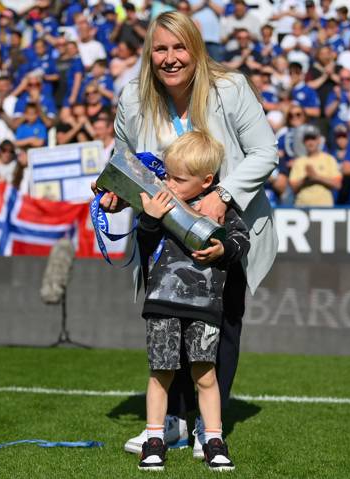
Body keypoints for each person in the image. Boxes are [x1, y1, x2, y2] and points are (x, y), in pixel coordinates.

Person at [103, 11, 277, 458]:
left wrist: (223, 194)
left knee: (220, 323)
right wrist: (115, 193)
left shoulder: (231, 88)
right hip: (160, 233)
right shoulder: (132, 97)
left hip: (225, 225)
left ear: (196, 50)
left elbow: (266, 152)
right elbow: (126, 162)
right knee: (167, 320)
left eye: (179, 48)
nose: (170, 58)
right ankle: (173, 421)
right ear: (149, 53)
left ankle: (206, 425)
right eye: (160, 49)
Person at [135, 131, 245, 472]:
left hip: (205, 307)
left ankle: (213, 438)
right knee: (160, 372)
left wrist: (222, 248)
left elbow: (241, 240)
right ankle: (155, 439)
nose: (169, 182)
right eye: (167, 174)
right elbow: (144, 239)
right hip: (162, 303)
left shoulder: (220, 207)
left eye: (179, 179)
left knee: (205, 374)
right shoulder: (159, 200)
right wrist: (150, 218)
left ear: (207, 181)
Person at [288, 124, 342, 207]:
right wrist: (306, 179)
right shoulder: (299, 162)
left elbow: (337, 184)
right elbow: (293, 188)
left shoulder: (329, 159)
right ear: (303, 141)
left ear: (319, 140)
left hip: (325, 207)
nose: (310, 142)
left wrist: (316, 177)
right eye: (307, 139)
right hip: (302, 207)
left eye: (313, 138)